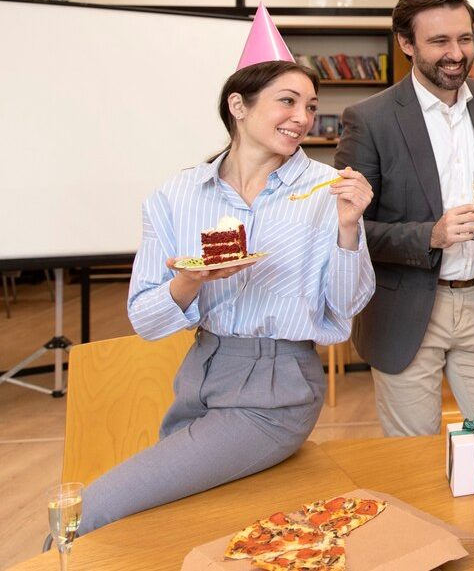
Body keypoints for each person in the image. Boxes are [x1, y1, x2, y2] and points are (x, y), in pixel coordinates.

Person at [79, 36, 375, 535]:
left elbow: (344, 310)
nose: (302, 118)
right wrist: (188, 283)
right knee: (166, 522)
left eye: (310, 106)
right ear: (238, 105)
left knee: (95, 508)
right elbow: (147, 321)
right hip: (199, 375)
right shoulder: (175, 196)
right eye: (287, 101)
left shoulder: (329, 190)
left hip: (277, 390)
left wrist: (349, 228)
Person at [335, 0, 474, 435]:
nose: (456, 53)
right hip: (404, 308)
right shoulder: (370, 119)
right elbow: (351, 228)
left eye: (464, 39)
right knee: (414, 461)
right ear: (407, 44)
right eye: (439, 41)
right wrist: (432, 235)